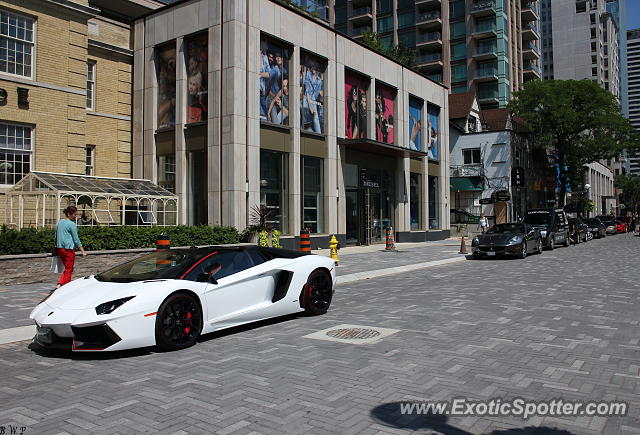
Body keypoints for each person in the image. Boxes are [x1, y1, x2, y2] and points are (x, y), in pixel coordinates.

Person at [54, 206, 87, 290]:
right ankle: (65, 287)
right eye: (74, 214)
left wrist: (56, 245)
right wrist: (82, 251)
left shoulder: (59, 222)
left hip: (60, 248)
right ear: (69, 214)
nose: (76, 216)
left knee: (68, 268)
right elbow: (76, 239)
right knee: (69, 269)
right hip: (68, 249)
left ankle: (60, 284)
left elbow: (56, 235)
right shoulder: (72, 224)